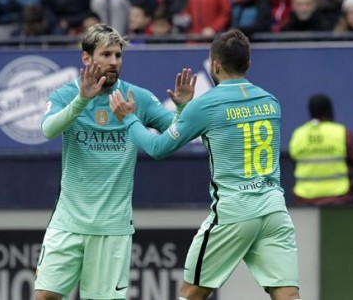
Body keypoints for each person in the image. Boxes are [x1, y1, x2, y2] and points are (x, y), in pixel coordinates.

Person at [109, 29, 302, 300]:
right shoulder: (271, 101)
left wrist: (129, 119)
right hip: (273, 210)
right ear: (248, 64)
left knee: (191, 293)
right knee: (287, 294)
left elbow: (158, 147)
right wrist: (182, 111)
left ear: (215, 65)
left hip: (234, 212)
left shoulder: (207, 104)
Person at [34, 23, 192, 300]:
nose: (113, 62)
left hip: (113, 227)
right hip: (68, 222)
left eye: (118, 55)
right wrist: (82, 100)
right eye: (106, 54)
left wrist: (181, 108)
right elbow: (48, 130)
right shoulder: (66, 95)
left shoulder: (137, 98)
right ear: (86, 58)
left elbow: (177, 136)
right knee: (44, 296)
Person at [289, 94, 353, 206]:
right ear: (329, 110)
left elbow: (293, 161)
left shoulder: (298, 134)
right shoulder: (342, 133)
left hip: (304, 198)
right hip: (339, 198)